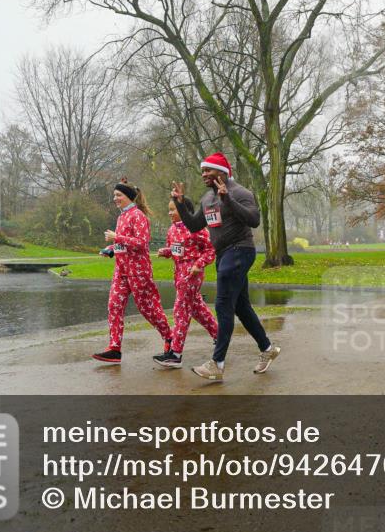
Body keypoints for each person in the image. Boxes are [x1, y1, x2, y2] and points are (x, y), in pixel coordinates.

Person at [172, 152, 280, 382]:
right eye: (202, 171)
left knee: (222, 304)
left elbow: (254, 220)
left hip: (240, 250)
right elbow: (193, 225)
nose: (204, 175)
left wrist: (228, 200)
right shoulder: (207, 198)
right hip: (223, 255)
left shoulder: (241, 192)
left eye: (208, 170)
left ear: (222, 172)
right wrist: (181, 205)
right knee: (241, 307)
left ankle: (217, 363)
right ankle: (268, 348)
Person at [93, 179, 174, 363]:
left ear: (128, 197)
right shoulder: (121, 217)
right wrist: (111, 249)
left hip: (138, 271)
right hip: (121, 271)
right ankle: (114, 348)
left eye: (118, 195)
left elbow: (142, 242)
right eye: (114, 195)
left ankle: (170, 338)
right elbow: (122, 243)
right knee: (113, 306)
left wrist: (117, 237)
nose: (115, 198)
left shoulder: (138, 216)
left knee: (148, 309)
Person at [152, 198, 219, 368]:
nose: (169, 213)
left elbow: (211, 249)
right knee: (197, 308)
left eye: (173, 209)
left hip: (191, 274)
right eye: (169, 209)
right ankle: (220, 337)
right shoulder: (172, 230)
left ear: (184, 211)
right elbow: (176, 250)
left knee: (180, 310)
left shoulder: (197, 229)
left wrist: (199, 264)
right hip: (178, 273)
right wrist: (166, 252)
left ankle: (175, 354)